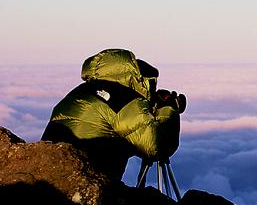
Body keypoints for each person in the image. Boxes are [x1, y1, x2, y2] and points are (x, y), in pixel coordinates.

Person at [42, 48, 186, 181]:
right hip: (86, 180)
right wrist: (168, 109)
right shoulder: (123, 97)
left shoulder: (81, 90)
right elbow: (155, 146)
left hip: (48, 171)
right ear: (140, 80)